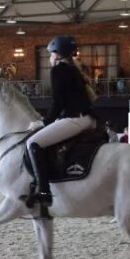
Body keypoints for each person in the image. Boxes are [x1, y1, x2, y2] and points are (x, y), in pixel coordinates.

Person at [25, 35, 96, 207]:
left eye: (50, 54)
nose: (50, 57)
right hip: (86, 117)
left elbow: (58, 102)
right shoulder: (74, 69)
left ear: (57, 54)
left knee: (33, 143)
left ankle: (44, 192)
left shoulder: (59, 70)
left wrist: (45, 122)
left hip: (74, 118)